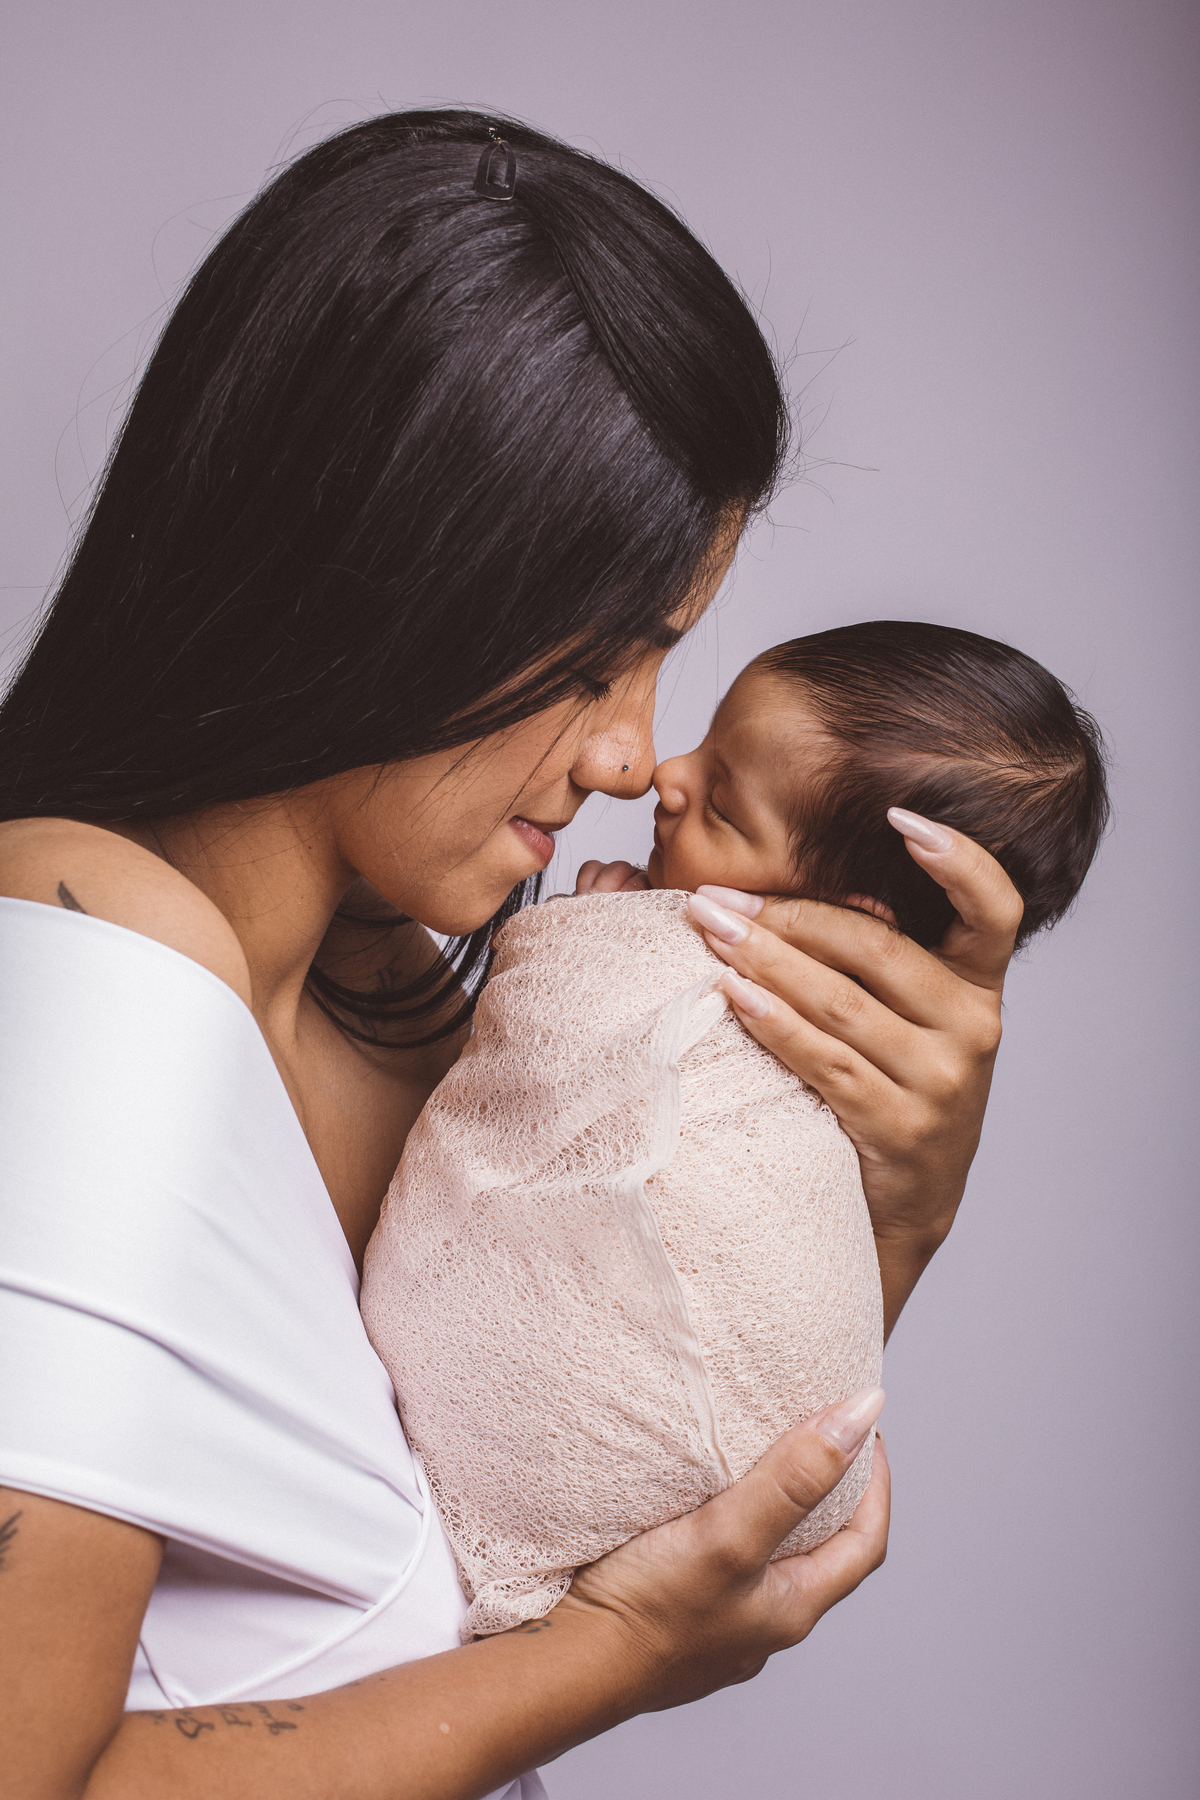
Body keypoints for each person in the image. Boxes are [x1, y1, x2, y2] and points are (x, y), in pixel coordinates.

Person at [0, 111, 1020, 1799]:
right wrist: (604, 1664)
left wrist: (897, 1200)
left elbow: (637, 1503)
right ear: (390, 577)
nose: (629, 754)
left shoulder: (399, 1006)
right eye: (601, 659)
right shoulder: (97, 967)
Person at [361, 620, 1108, 1639]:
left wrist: (589, 941)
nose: (660, 774)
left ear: (844, 917)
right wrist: (597, 943)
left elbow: (746, 1301)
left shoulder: (832, 1065)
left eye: (721, 804)